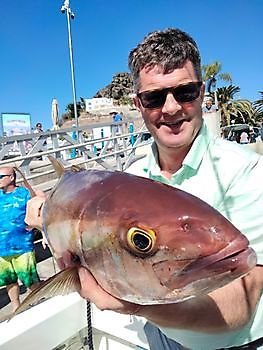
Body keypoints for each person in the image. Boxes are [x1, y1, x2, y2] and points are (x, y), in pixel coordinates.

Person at [25, 28, 263, 350]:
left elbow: (241, 303)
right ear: (138, 103)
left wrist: (140, 306)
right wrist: (43, 217)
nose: (170, 108)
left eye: (185, 92)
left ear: (202, 92)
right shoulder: (134, 173)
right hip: (157, 339)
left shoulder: (249, 173)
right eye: (154, 97)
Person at [0, 167, 41, 312]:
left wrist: (43, 233)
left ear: (11, 177)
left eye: (1, 176)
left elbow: (40, 208)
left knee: (30, 279)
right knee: (9, 280)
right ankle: (15, 308)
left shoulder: (25, 194)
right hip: (2, 249)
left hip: (22, 246)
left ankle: (38, 304)